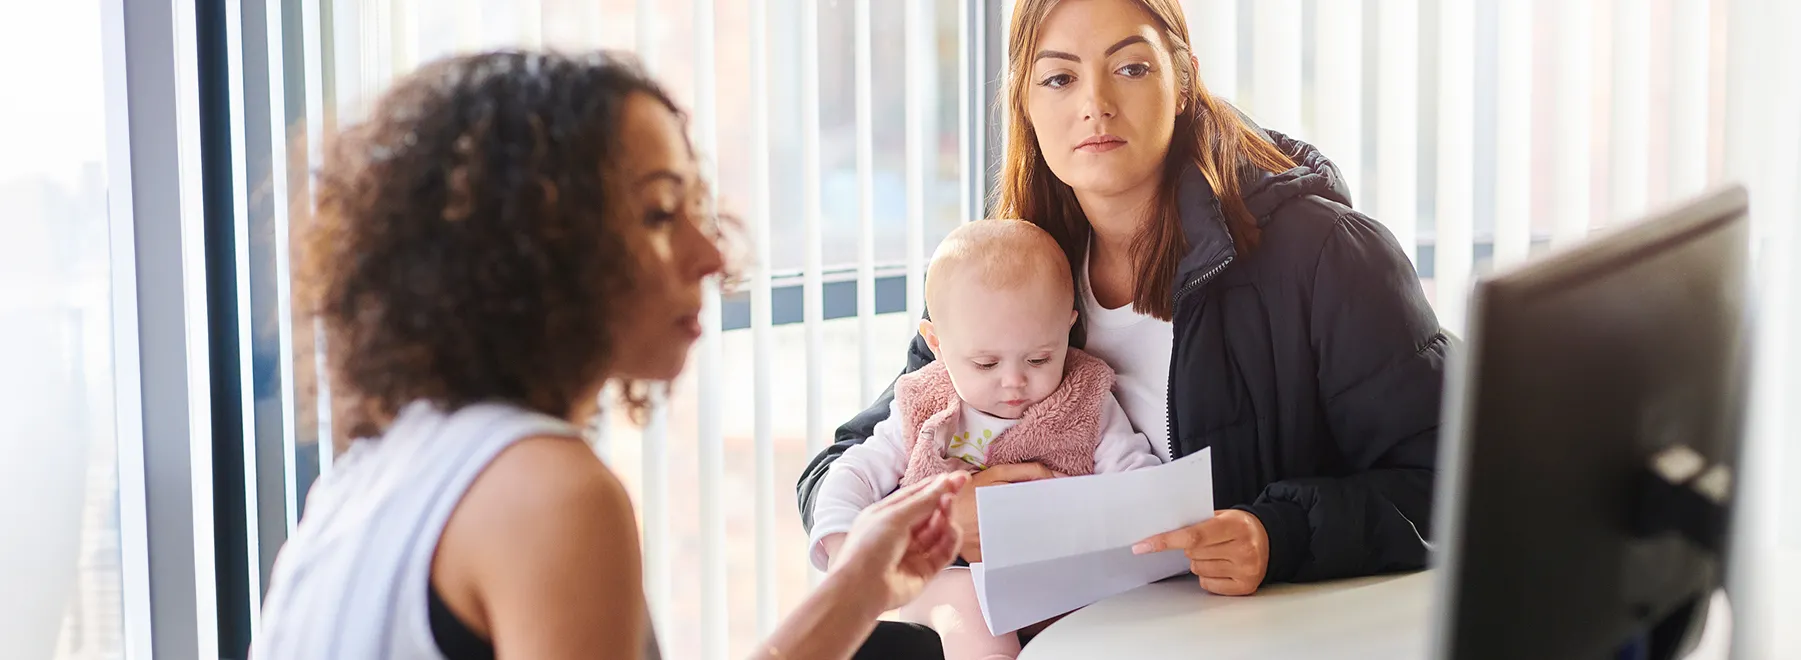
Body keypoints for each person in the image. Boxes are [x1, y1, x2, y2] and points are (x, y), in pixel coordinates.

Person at [251, 50, 969, 660]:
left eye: (697, 206)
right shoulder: (550, 494)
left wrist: (861, 589)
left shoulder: (377, 474)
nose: (712, 253)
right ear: (534, 251)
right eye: (659, 214)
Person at [796, 0, 1445, 611]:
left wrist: (1279, 534)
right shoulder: (1006, 274)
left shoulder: (1325, 256)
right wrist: (946, 513)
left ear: (1184, 80)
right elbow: (848, 464)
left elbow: (1454, 483)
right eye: (1058, 79)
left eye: (1131, 68)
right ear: (1024, 101)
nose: (1095, 105)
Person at [805, 219, 1164, 659]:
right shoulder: (924, 404)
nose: (1014, 382)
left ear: (1067, 329)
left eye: (1038, 357)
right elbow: (853, 471)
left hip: (1058, 581)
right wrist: (847, 550)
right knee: (969, 610)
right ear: (936, 343)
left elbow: (1139, 482)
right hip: (947, 577)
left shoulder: (1084, 399)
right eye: (985, 364)